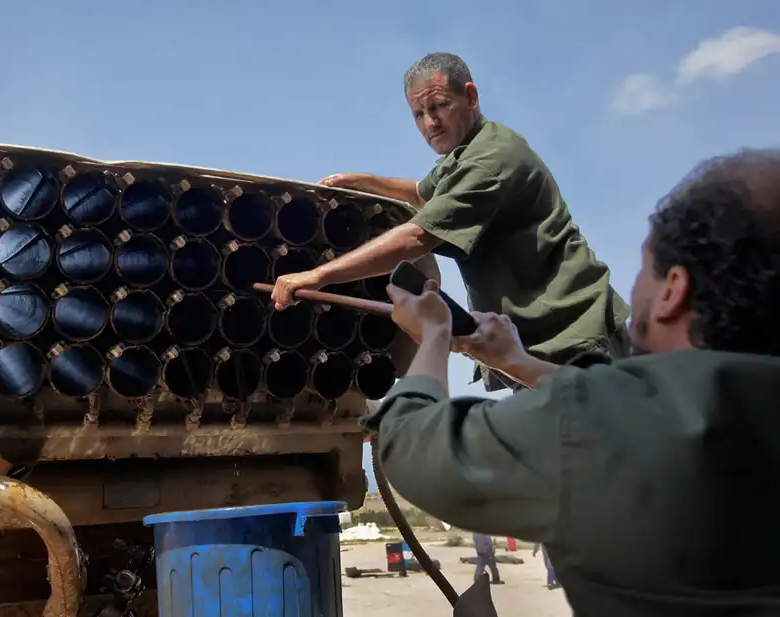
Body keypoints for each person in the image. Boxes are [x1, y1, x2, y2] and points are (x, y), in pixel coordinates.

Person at [363, 149, 780, 616]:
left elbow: (410, 442)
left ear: (673, 291)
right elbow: (640, 411)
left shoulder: (593, 423)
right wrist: (517, 362)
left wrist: (434, 334)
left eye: (644, 271)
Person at [271, 52, 630, 391]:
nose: (430, 123)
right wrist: (365, 181)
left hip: (573, 335)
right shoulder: (466, 150)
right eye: (419, 114)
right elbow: (421, 192)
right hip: (535, 345)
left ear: (471, 97)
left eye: (439, 106)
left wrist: (317, 276)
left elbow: (416, 238)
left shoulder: (489, 161)